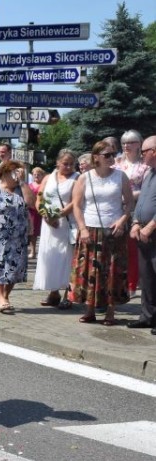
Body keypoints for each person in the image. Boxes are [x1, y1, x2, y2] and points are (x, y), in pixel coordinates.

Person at [71, 140, 133, 325]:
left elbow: (129, 202)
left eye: (113, 154)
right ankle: (89, 309)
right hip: (90, 229)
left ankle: (111, 311)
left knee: (113, 270)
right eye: (107, 155)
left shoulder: (120, 176)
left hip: (114, 230)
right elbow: (77, 205)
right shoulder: (85, 177)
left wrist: (122, 220)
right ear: (95, 157)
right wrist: (82, 228)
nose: (111, 158)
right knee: (89, 271)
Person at [0, 160, 33, 314]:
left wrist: (22, 182)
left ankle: (5, 296)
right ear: (4, 173)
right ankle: (0, 298)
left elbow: (31, 203)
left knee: (15, 269)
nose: (16, 177)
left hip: (19, 237)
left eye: (19, 173)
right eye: (14, 173)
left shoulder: (20, 190)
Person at [33, 150, 79, 309]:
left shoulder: (77, 178)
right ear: (58, 163)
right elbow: (39, 198)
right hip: (49, 224)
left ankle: (68, 294)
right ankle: (53, 292)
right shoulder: (48, 177)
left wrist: (57, 216)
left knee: (67, 258)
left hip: (66, 223)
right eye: (65, 163)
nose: (68, 166)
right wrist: (44, 214)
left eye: (71, 164)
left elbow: (75, 202)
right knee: (51, 256)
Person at [128, 135, 156, 334]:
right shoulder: (149, 174)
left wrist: (150, 226)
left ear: (153, 152)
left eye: (144, 151)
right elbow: (141, 201)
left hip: (152, 231)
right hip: (143, 231)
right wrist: (136, 222)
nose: (141, 154)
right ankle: (147, 316)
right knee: (146, 277)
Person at [118, 130, 145, 297]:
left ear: (139, 144)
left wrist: (129, 196)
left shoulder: (144, 166)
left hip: (137, 210)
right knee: (119, 250)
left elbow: (148, 190)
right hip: (117, 211)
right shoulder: (116, 164)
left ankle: (132, 284)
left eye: (131, 142)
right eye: (124, 143)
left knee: (133, 249)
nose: (127, 145)